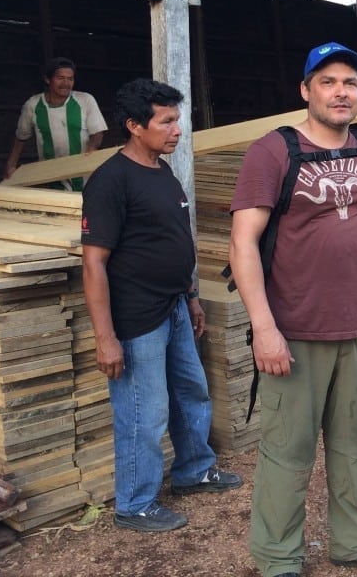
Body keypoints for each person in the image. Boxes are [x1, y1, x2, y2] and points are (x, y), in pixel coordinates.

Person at [229, 42, 357, 577]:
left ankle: (355, 542)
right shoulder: (273, 152)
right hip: (294, 330)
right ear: (306, 90)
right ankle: (278, 558)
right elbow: (243, 245)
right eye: (329, 81)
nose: (341, 91)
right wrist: (264, 329)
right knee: (287, 451)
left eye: (351, 82)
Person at [81, 78, 242, 533]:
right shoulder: (109, 182)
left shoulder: (161, 170)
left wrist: (191, 297)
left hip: (173, 306)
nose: (177, 130)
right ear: (135, 126)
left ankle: (194, 470)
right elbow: (94, 264)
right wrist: (106, 337)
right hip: (135, 319)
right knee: (143, 411)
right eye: (166, 121)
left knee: (192, 393)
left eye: (178, 119)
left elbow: (172, 243)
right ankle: (134, 504)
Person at [4, 56, 108, 190]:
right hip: (52, 173)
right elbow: (21, 137)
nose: (66, 83)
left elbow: (98, 132)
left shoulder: (85, 100)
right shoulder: (33, 105)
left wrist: (92, 148)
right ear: (48, 79)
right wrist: (11, 164)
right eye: (60, 78)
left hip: (83, 171)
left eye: (70, 79)